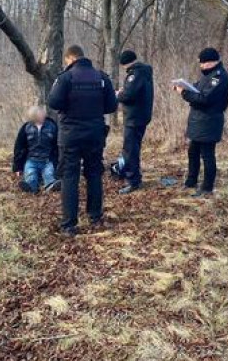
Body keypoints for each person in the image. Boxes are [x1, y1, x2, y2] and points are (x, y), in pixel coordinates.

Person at [48, 45, 118, 237]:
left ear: (69, 59)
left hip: (70, 135)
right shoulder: (101, 77)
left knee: (70, 176)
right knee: (94, 173)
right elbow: (112, 105)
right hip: (95, 134)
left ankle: (69, 224)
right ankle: (95, 216)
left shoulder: (65, 78)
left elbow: (53, 102)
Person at [174, 47, 228, 197]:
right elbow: (198, 88)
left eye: (202, 64)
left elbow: (204, 99)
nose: (201, 67)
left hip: (209, 121)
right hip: (199, 121)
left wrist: (184, 92)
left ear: (211, 62)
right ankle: (191, 182)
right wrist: (185, 86)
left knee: (207, 155)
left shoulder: (219, 78)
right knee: (193, 152)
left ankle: (207, 188)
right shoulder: (208, 75)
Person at [112, 50, 154, 194]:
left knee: (130, 150)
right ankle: (134, 177)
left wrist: (118, 95)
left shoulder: (135, 74)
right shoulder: (144, 72)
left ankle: (133, 181)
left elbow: (129, 95)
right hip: (141, 116)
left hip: (134, 118)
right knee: (133, 148)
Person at [12, 105, 61, 194]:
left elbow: (58, 145)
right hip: (31, 160)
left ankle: (51, 186)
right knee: (30, 174)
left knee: (49, 174)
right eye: (40, 115)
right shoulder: (26, 128)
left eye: (43, 114)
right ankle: (31, 187)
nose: (42, 116)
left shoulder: (52, 126)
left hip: (47, 160)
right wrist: (17, 167)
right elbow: (19, 147)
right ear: (34, 116)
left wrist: (59, 162)